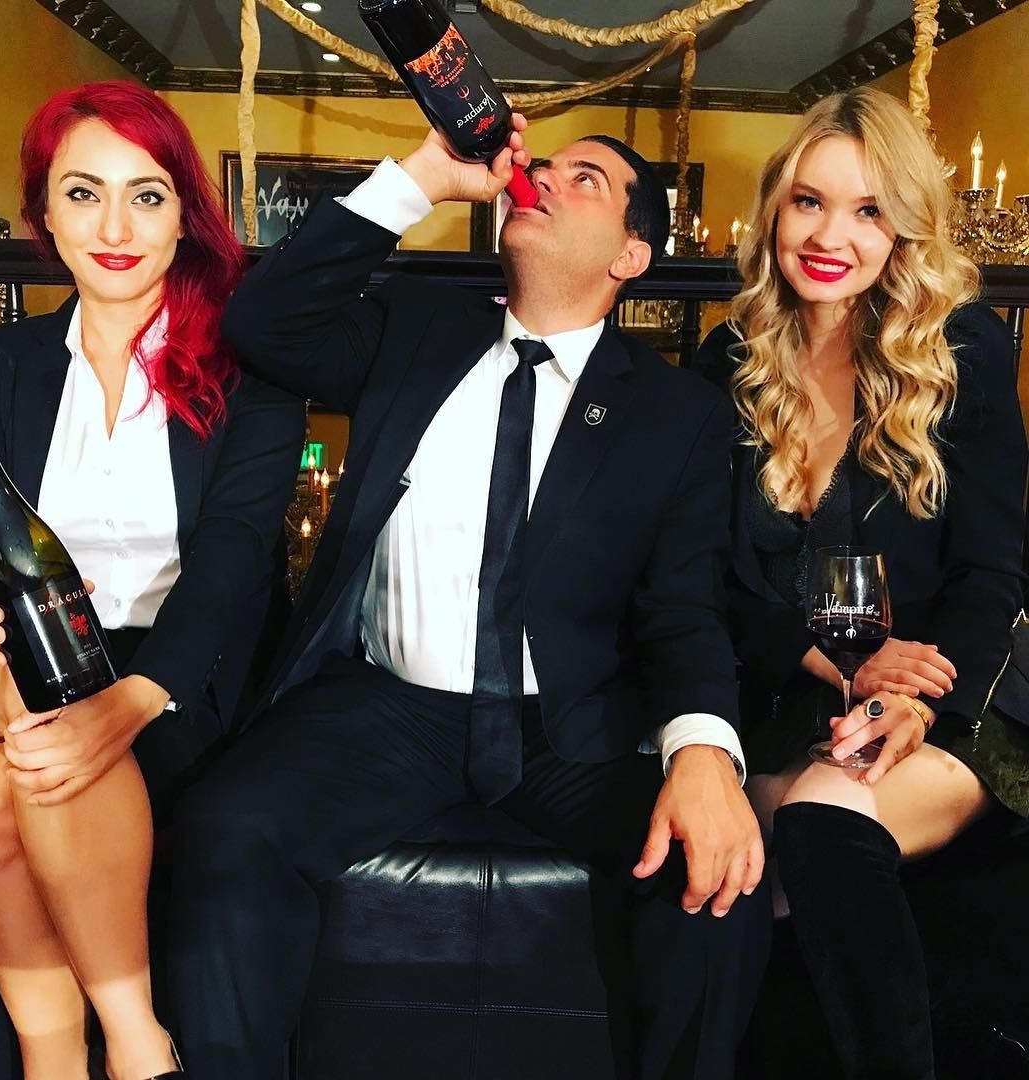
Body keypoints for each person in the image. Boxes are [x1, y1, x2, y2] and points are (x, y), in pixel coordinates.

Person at [166, 116, 771, 1080]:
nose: (546, 178)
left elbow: (684, 607)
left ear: (631, 255)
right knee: (224, 833)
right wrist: (421, 178)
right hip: (385, 706)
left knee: (716, 886)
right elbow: (264, 324)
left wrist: (704, 753)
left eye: (587, 178)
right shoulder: (416, 331)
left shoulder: (677, 413)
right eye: (546, 165)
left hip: (568, 722)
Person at [0, 81, 305, 1080]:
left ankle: (120, 1052)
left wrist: (128, 702)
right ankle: (94, 1052)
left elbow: (235, 559)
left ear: (184, 215)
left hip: (189, 671)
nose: (114, 229)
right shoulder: (8, 361)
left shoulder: (250, 369)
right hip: (34, 660)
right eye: (83, 193)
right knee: (10, 765)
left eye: (146, 196)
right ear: (43, 212)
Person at [692, 86, 1028, 1078]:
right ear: (775, 209)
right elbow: (704, 577)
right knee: (735, 876)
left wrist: (917, 699)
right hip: (787, 695)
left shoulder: (963, 349)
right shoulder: (727, 362)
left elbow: (991, 571)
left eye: (869, 210)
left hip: (954, 698)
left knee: (820, 822)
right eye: (809, 201)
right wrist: (830, 664)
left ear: (904, 229)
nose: (830, 235)